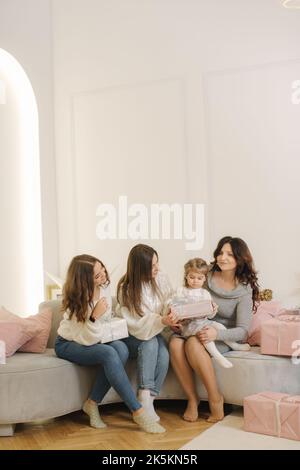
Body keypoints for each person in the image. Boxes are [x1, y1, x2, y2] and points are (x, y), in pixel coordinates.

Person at [55, 254, 165, 434]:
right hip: (69, 343)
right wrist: (93, 317)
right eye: (97, 275)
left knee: (121, 348)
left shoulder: (102, 288)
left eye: (102, 269)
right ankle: (138, 411)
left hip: (96, 337)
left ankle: (91, 403)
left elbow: (104, 325)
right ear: (84, 280)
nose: (103, 276)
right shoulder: (75, 301)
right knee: (109, 353)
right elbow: (86, 339)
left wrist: (112, 324)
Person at [169, 237, 259, 423]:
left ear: (240, 259)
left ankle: (215, 399)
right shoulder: (205, 275)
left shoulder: (244, 290)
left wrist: (216, 333)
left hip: (222, 334)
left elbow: (243, 331)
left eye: (229, 254)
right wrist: (176, 316)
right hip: (193, 326)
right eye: (220, 252)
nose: (222, 257)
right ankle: (192, 400)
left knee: (194, 343)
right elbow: (186, 296)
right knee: (175, 344)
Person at [116, 244, 179, 422]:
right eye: (152, 266)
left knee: (164, 354)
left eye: (157, 263)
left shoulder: (161, 278)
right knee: (150, 343)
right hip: (132, 335)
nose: (157, 268)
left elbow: (169, 300)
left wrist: (172, 312)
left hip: (152, 331)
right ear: (139, 268)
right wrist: (162, 321)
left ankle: (148, 400)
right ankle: (144, 394)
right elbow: (137, 324)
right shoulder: (126, 288)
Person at [169, 258, 251, 369]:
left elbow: (210, 315)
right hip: (190, 325)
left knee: (219, 326)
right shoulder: (181, 291)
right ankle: (217, 356)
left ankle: (234, 345)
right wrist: (175, 313)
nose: (195, 281)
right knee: (205, 334)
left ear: (204, 279)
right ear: (186, 276)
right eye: (192, 277)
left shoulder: (205, 293)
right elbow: (174, 305)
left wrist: (212, 311)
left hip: (204, 321)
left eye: (199, 278)